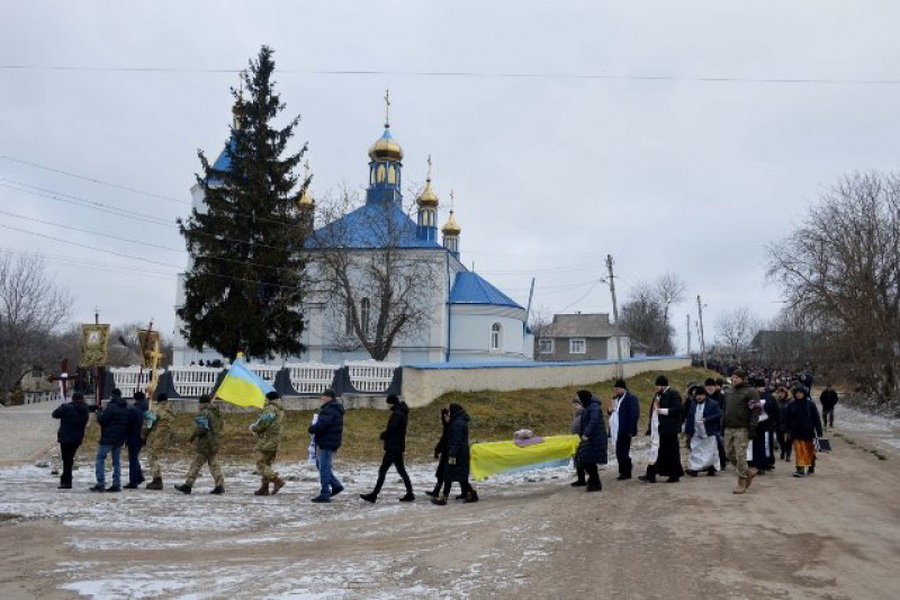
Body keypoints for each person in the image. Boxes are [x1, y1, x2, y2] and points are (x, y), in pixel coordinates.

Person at [360, 394, 415, 503]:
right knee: (401, 470)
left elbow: (393, 429)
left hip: (393, 446)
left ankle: (374, 495)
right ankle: (410, 493)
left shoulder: (397, 414)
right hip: (397, 446)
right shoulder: (401, 412)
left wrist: (383, 435)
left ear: (391, 403)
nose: (387, 405)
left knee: (383, 470)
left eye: (387, 403)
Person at [175, 394, 225, 494]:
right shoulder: (217, 413)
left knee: (196, 464)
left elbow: (201, 428)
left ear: (201, 403)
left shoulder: (204, 413)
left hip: (205, 443)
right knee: (214, 465)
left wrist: (192, 437)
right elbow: (221, 426)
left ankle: (188, 485)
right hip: (214, 442)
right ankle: (220, 485)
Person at [722, 369, 761, 494]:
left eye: (737, 378)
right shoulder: (729, 391)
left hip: (742, 428)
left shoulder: (751, 391)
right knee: (729, 454)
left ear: (743, 379)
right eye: (733, 377)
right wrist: (722, 422)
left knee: (740, 455)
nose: (734, 380)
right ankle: (748, 472)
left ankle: (742, 482)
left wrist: (753, 427)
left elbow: (756, 410)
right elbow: (725, 409)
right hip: (729, 427)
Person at [431, 403, 478, 505]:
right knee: (456, 475)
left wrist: (452, 454)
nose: (447, 414)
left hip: (456, 454)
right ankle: (472, 494)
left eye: (448, 411)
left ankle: (444, 498)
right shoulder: (457, 422)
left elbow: (456, 441)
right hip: (458, 454)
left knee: (450, 474)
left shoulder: (457, 424)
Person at [308, 388, 345, 503]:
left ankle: (325, 493)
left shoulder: (329, 410)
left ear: (329, 397)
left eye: (323, 396)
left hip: (327, 442)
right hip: (331, 441)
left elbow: (323, 424)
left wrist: (312, 428)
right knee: (321, 465)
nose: (321, 398)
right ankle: (336, 485)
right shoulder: (334, 408)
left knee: (323, 467)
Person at [90, 388, 129, 492]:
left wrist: (99, 414)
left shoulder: (111, 407)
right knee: (116, 462)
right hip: (120, 437)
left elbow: (103, 420)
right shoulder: (126, 407)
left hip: (108, 437)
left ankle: (100, 483)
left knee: (100, 459)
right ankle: (116, 484)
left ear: (112, 395)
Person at [646, 375, 683, 483]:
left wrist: (663, 411)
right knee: (656, 451)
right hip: (658, 428)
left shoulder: (673, 394)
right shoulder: (656, 396)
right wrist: (650, 426)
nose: (656, 388)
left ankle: (674, 475)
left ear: (663, 385)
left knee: (671, 453)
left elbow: (678, 409)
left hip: (670, 429)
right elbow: (652, 412)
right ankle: (651, 474)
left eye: (658, 386)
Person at [51, 391, 90, 489]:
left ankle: (66, 481)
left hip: (65, 437)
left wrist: (63, 406)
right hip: (77, 437)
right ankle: (66, 477)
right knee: (70, 458)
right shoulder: (85, 409)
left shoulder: (67, 408)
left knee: (66, 459)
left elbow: (55, 414)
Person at [251, 391, 286, 496]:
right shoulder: (280, 409)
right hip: (274, 440)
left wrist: (254, 428)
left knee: (260, 463)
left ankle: (277, 481)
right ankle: (264, 488)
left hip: (267, 440)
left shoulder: (270, 409)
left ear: (269, 399)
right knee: (267, 464)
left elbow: (264, 423)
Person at [784, 386, 823, 478]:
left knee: (809, 451)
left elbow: (816, 418)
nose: (799, 394)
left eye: (801, 392)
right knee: (799, 451)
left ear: (804, 393)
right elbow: (787, 418)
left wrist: (819, 430)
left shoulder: (810, 404)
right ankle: (800, 469)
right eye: (797, 393)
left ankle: (811, 465)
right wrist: (786, 429)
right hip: (796, 432)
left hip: (808, 432)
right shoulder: (791, 405)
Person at [684, 386, 721, 476]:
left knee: (710, 452)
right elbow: (689, 417)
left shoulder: (713, 404)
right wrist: (687, 431)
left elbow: (718, 415)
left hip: (709, 432)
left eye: (700, 395)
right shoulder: (693, 404)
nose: (698, 397)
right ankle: (694, 469)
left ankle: (711, 467)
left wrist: (707, 419)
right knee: (696, 451)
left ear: (705, 395)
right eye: (697, 395)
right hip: (696, 432)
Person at [575, 390, 607, 492]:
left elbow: (594, 421)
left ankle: (595, 482)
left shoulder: (593, 407)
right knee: (587, 460)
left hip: (594, 438)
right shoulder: (589, 406)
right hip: (591, 438)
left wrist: (586, 434)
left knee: (587, 460)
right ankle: (594, 482)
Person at [609, 379, 640, 480]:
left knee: (623, 451)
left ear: (623, 388)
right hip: (615, 429)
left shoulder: (630, 398)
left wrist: (632, 430)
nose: (616, 391)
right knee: (618, 451)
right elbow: (614, 412)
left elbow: (634, 414)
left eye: (617, 389)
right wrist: (609, 410)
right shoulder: (616, 399)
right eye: (615, 389)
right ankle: (622, 470)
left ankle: (626, 472)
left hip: (624, 429)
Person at [144, 393, 176, 490]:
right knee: (156, 455)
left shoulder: (156, 409)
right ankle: (157, 479)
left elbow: (149, 424)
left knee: (153, 456)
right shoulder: (171, 409)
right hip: (166, 435)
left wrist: (143, 435)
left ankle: (157, 480)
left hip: (156, 435)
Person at [123, 391, 147, 489]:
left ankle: (133, 481)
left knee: (133, 458)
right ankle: (139, 476)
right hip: (143, 435)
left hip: (133, 435)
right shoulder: (147, 407)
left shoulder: (134, 409)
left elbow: (128, 423)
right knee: (135, 457)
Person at [425, 408, 451, 498]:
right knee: (441, 473)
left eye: (446, 416)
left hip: (450, 454)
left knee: (449, 474)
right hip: (446, 453)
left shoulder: (452, 427)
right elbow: (443, 440)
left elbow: (453, 441)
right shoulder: (447, 427)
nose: (444, 418)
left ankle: (445, 494)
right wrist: (437, 450)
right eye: (443, 416)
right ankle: (437, 491)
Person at [705, 377, 728, 471]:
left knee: (718, 444)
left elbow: (725, 410)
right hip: (706, 424)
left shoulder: (721, 397)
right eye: (708, 386)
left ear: (715, 387)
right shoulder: (704, 396)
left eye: (712, 386)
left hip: (718, 423)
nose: (710, 388)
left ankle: (722, 462)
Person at [569, 397, 586, 486]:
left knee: (582, 459)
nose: (575, 407)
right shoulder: (577, 414)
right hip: (576, 439)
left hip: (582, 439)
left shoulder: (584, 413)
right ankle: (581, 479)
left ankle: (587, 478)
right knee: (577, 459)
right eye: (574, 405)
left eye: (576, 405)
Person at [773, 386, 793, 462]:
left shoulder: (791, 401)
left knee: (789, 440)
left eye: (782, 393)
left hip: (788, 424)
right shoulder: (776, 401)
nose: (781, 394)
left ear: (786, 393)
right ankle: (783, 450)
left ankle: (788, 455)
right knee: (780, 439)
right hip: (779, 423)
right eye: (779, 393)